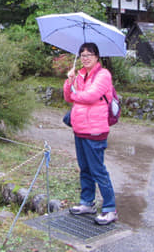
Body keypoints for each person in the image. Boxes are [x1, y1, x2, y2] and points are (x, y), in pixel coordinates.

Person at [63, 42, 117, 225]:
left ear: (97, 57)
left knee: (98, 170)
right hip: (80, 129)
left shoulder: (103, 75)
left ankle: (110, 209)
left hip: (95, 131)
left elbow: (90, 96)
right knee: (84, 168)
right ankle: (87, 202)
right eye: (83, 55)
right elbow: (68, 97)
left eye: (89, 55)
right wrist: (69, 82)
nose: (85, 58)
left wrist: (75, 91)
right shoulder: (80, 75)